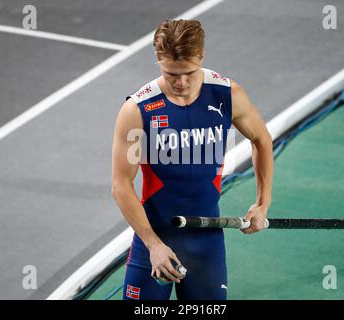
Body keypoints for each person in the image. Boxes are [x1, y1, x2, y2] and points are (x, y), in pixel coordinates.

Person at [111, 19, 273, 300]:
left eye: (188, 72)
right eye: (171, 74)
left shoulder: (227, 95)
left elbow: (261, 139)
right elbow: (121, 185)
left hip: (206, 242)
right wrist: (153, 245)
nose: (181, 83)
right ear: (158, 59)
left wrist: (262, 203)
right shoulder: (137, 109)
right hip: (155, 240)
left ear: (201, 56)